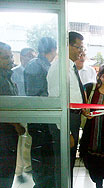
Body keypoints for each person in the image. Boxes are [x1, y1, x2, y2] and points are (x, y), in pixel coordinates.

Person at [47, 31, 85, 187]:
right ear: (66, 45)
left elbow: (72, 94)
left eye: (82, 47)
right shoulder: (59, 68)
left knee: (68, 162)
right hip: (64, 123)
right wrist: (66, 132)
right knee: (62, 165)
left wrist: (83, 107)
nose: (81, 51)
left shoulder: (70, 66)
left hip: (72, 119)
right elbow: (56, 103)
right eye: (78, 46)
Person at [24, 37, 60, 188]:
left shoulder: (43, 64)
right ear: (52, 49)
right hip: (40, 122)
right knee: (41, 160)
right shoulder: (36, 66)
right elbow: (38, 96)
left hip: (45, 121)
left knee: (47, 160)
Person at [0, 42, 25, 188]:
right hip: (4, 135)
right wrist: (16, 125)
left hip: (9, 135)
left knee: (8, 171)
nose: (10, 60)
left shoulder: (8, 76)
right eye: (5, 57)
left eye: (10, 57)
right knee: (4, 173)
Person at [11, 48, 36, 183]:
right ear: (21, 57)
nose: (31, 59)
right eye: (28, 56)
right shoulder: (14, 73)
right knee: (20, 142)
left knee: (28, 142)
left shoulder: (34, 72)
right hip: (18, 112)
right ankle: (18, 171)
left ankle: (27, 167)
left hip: (31, 112)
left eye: (33, 56)